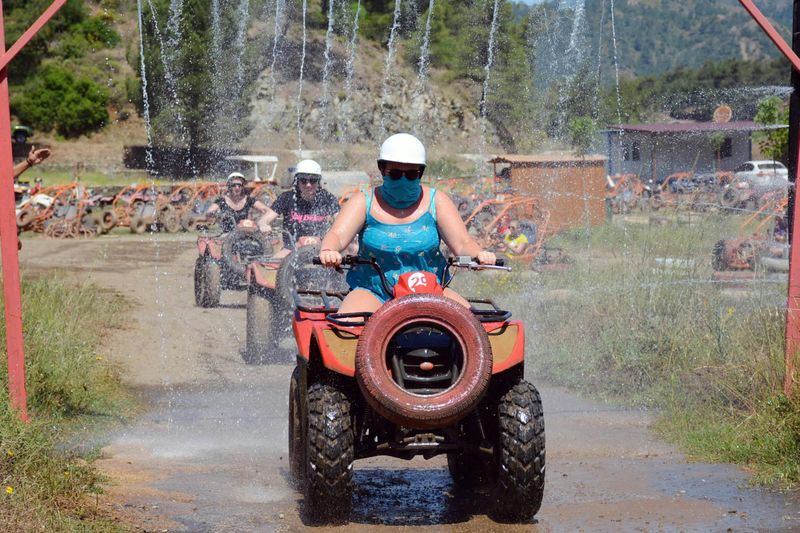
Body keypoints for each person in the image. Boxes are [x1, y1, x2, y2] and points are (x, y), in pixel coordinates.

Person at [319, 133, 496, 314]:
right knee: (346, 328)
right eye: (395, 174)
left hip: (431, 290)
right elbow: (337, 235)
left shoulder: (437, 201)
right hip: (374, 291)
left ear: (421, 172)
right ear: (382, 169)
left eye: (411, 174)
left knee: (476, 326)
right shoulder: (363, 201)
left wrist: (479, 255)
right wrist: (329, 251)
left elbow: (462, 243)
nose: (403, 180)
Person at [260, 159, 340, 259]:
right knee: (269, 266)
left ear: (318, 181)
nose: (308, 185)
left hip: (322, 249)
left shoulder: (327, 198)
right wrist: (263, 225)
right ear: (297, 181)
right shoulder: (286, 198)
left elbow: (341, 220)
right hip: (291, 249)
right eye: (303, 180)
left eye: (313, 180)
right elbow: (264, 219)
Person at [204, 172, 271, 233]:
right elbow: (209, 212)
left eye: (239, 185)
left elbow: (267, 211)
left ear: (242, 187)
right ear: (229, 186)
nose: (237, 188)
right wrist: (215, 215)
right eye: (234, 185)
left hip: (245, 233)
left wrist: (262, 223)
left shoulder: (248, 199)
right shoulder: (222, 200)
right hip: (227, 235)